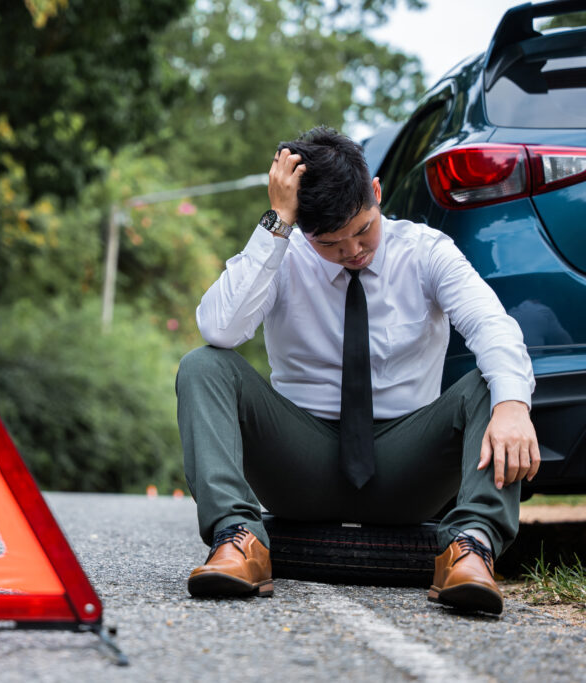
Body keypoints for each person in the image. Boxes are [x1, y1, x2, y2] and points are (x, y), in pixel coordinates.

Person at [176, 126, 540, 614]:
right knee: (204, 366)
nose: (352, 250)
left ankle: (472, 548)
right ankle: (237, 540)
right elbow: (219, 329)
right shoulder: (282, 250)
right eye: (330, 242)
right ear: (304, 229)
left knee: (491, 387)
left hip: (407, 466)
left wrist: (513, 405)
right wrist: (277, 222)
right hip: (300, 464)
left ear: (376, 194)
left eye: (362, 229)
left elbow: (493, 326)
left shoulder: (426, 251)